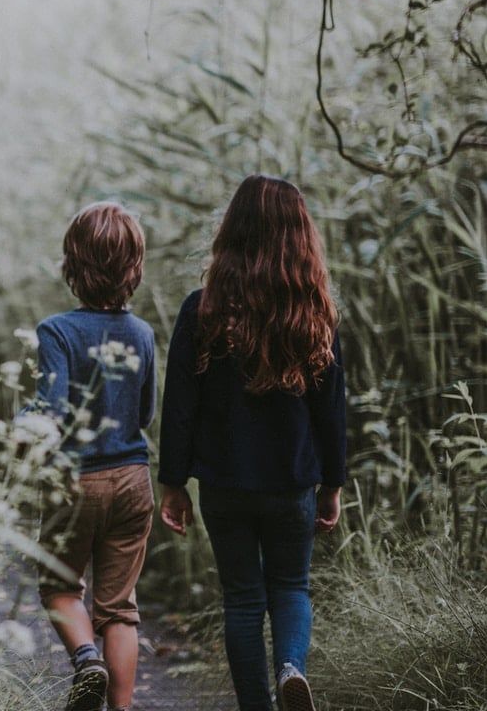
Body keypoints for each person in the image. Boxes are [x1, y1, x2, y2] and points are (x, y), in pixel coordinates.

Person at [158, 174, 347, 711]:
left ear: (231, 232)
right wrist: (332, 484)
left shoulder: (203, 311)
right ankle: (291, 667)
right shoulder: (315, 314)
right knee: (291, 587)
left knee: (243, 599)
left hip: (224, 483)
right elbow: (331, 412)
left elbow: (180, 407)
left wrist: (173, 483)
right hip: (291, 483)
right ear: (300, 238)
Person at [31, 201, 157, 711]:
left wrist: (26, 419)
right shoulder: (143, 334)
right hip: (133, 478)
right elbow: (145, 414)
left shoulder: (56, 331)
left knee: (59, 586)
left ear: (71, 265)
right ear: (134, 268)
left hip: (74, 480)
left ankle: (87, 661)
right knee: (120, 610)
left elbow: (52, 410)